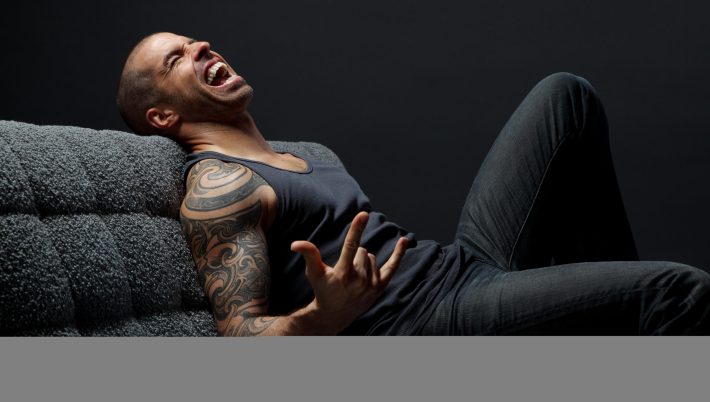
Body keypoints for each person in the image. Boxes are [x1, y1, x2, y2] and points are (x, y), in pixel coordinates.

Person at [116, 32, 710, 335]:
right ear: (163, 117)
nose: (201, 47)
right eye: (176, 59)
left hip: (455, 267)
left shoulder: (301, 155)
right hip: (427, 319)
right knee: (678, 292)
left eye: (193, 41)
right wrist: (321, 315)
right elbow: (240, 338)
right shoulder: (221, 185)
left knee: (565, 97)